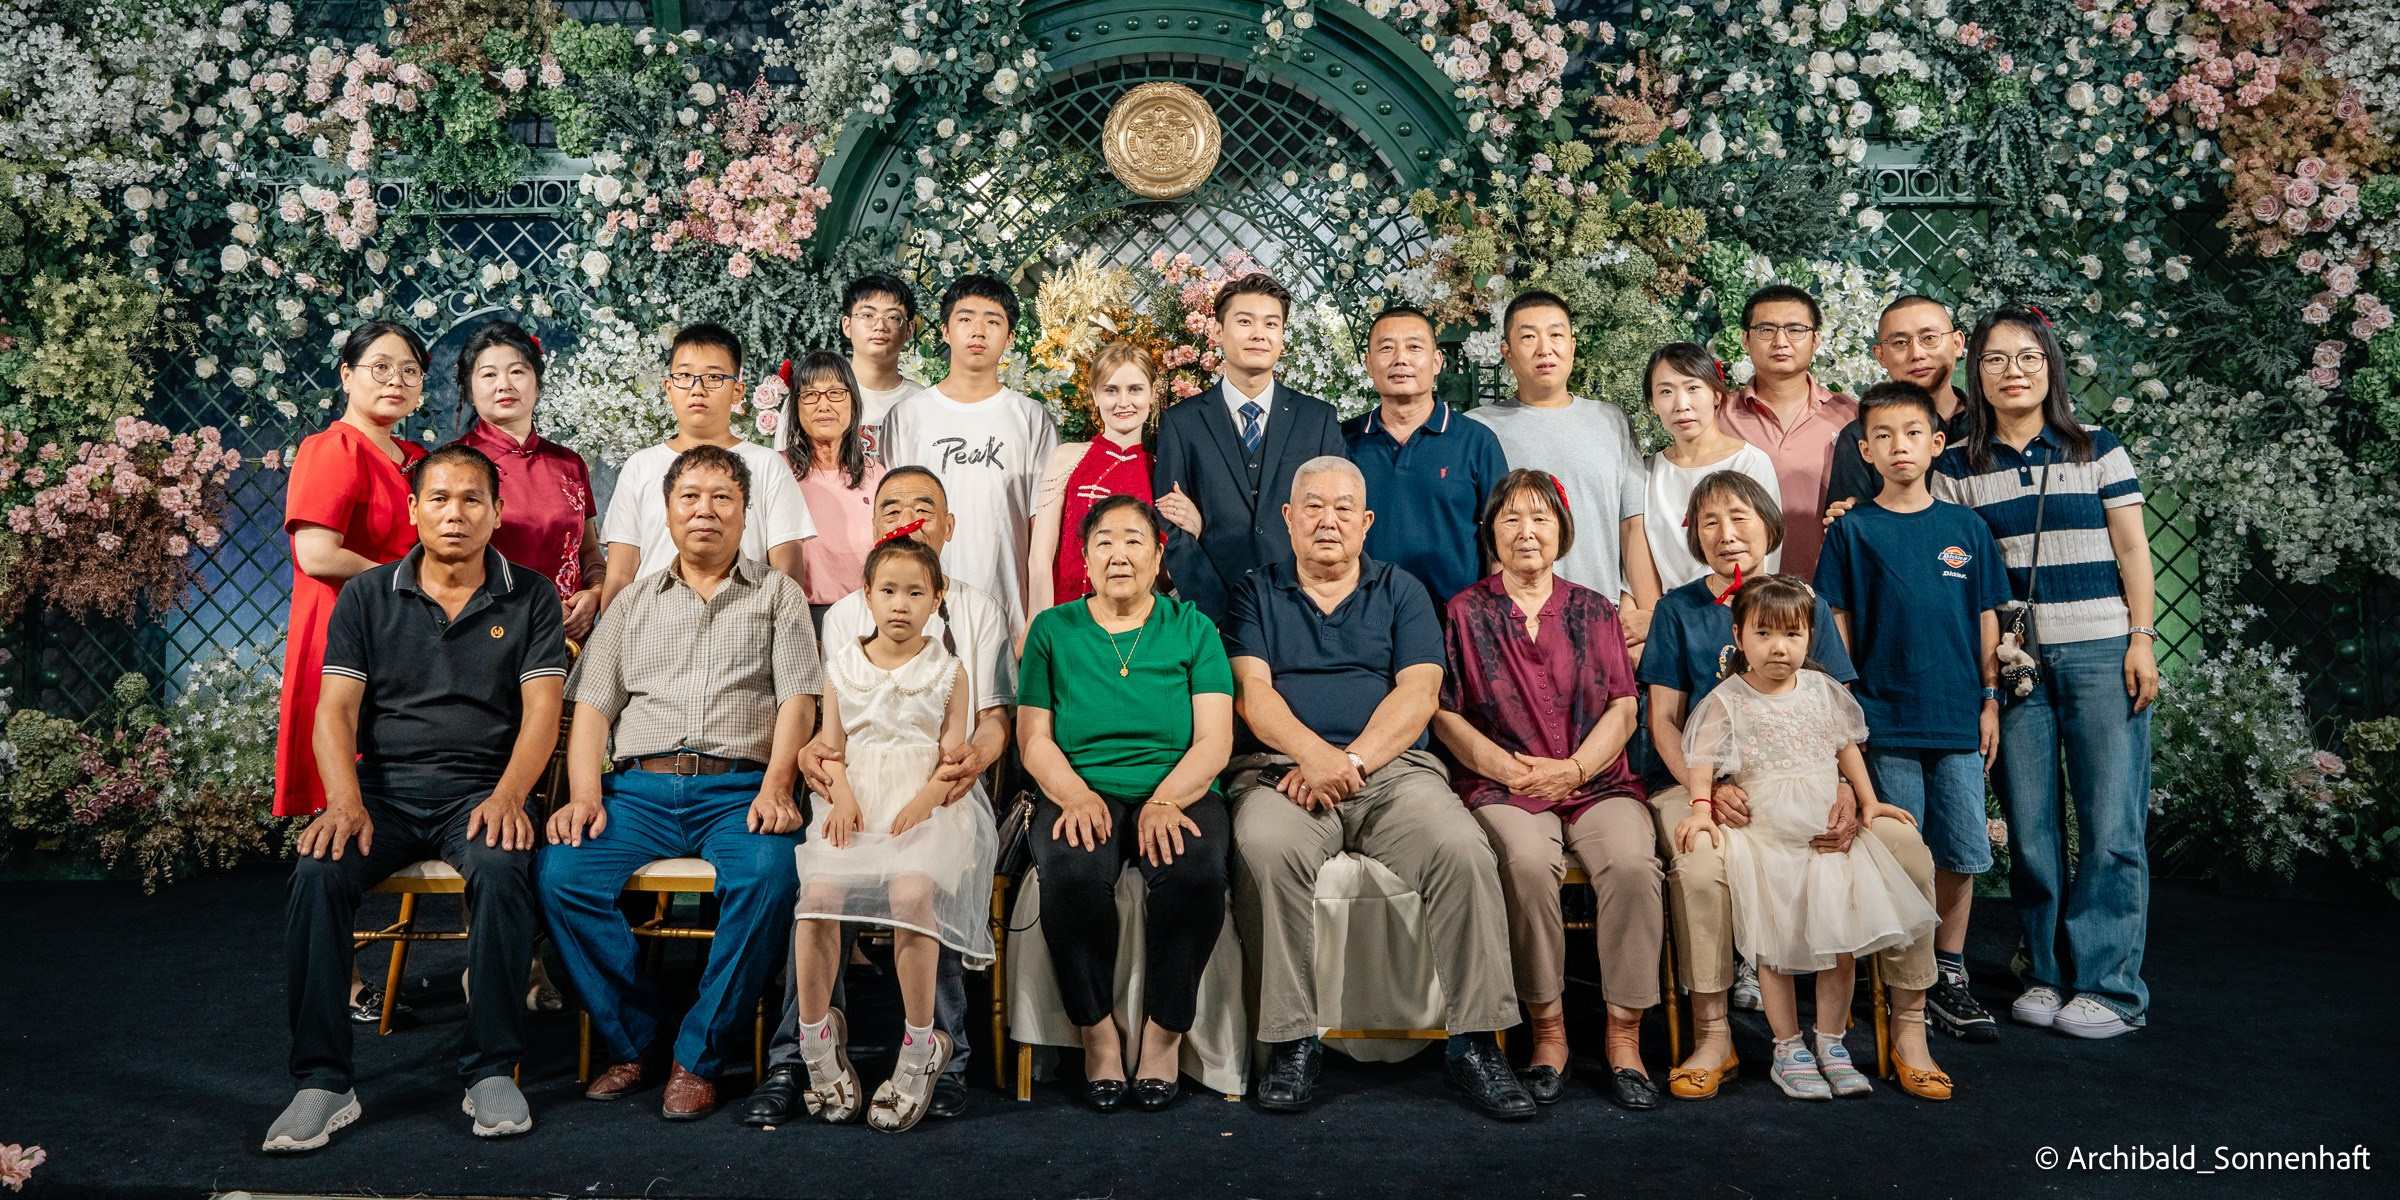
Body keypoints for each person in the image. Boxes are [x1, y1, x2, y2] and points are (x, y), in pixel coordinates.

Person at [264, 445, 568, 1152]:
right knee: (317, 873)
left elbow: (543, 712)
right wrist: (344, 802)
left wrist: (510, 796)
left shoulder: (531, 596)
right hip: (385, 792)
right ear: (413, 511)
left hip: (482, 790)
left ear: (497, 512)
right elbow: (335, 709)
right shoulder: (368, 595)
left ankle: (490, 1069)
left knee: (502, 866)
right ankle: (322, 1082)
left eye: (471, 499)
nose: (454, 513)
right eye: (439, 499)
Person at [1221, 456, 1529, 1121]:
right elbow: (1252, 694)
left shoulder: (1402, 590)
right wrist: (1314, 757)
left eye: (1342, 508)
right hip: (1284, 772)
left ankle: (1476, 1043)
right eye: (1313, 506)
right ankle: (1291, 1042)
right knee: (1265, 848)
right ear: (1288, 518)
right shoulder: (1255, 592)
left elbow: (1419, 694)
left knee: (1462, 850)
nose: (1327, 520)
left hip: (1390, 773)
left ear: (1365, 522)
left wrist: (1351, 762)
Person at [1636, 472, 1946, 1100]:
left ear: (1769, 525)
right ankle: (1714, 1034)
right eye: (1710, 521)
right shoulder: (1678, 610)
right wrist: (1706, 792)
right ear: (1694, 534)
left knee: (1908, 852)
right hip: (1704, 785)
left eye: (1741, 517)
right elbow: (1665, 721)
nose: (1727, 533)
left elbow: (1834, 716)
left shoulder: (1804, 603)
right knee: (1701, 866)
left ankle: (1910, 1030)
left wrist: (1850, 794)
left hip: (1814, 782)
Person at [541, 445, 823, 1121]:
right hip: (638, 791)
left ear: (745, 514)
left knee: (770, 876)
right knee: (561, 874)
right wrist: (584, 796)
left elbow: (798, 701)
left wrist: (777, 785)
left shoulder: (778, 594)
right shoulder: (631, 602)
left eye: (723, 498)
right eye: (689, 497)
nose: (705, 510)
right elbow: (593, 709)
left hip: (738, 791)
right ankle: (637, 1039)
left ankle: (699, 1055)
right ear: (666, 512)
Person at [748, 465, 1016, 1126]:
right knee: (817, 891)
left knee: (916, 887)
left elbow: (992, 719)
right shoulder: (844, 620)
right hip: (855, 792)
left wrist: (968, 764)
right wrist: (818, 763)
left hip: (937, 789)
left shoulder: (975, 615)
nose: (908, 517)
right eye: (891, 506)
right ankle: (804, 1050)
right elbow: (828, 728)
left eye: (924, 507)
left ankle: (936, 1054)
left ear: (949, 527)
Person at [1930, 303, 2159, 1040]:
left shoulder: (2097, 448)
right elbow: (1959, 577)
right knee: (2030, 831)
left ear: (2050, 366)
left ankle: (2110, 987)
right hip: (2015, 665)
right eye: (1995, 359)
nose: (2013, 372)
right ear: (1976, 373)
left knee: (2111, 824)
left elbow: (2133, 550)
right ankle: (2046, 973)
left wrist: (2142, 638)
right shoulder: (1956, 467)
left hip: (2101, 649)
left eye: (2028, 357)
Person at [1430, 470, 1660, 1111]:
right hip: (1504, 783)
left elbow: (1623, 707)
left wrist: (1577, 769)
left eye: (1540, 518)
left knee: (1633, 864)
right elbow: (1444, 714)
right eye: (1511, 519)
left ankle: (1624, 1037)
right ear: (1491, 533)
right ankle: (1549, 1032)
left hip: (1597, 780)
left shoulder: (1595, 609)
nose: (1526, 531)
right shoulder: (1463, 612)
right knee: (1527, 864)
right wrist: (1508, 770)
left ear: (1563, 530)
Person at [1019, 495, 1235, 1113]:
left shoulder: (1193, 628)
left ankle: (1164, 1034)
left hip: (1179, 786)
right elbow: (1033, 738)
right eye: (1104, 541)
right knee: (1072, 871)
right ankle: (1098, 1035)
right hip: (1079, 786)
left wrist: (1166, 799)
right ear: (1084, 558)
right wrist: (1072, 793)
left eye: (1135, 540)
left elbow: (1214, 740)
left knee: (1195, 872)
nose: (1119, 554)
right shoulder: (1052, 630)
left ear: (1160, 555)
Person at [1814, 382, 2010, 1050]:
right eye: (1884, 436)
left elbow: (1987, 620)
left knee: (1961, 851)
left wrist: (1991, 700)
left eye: (1913, 433)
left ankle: (1948, 970)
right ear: (1865, 451)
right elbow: (1837, 626)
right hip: (1885, 722)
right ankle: (1906, 981)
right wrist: (1845, 718)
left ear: (1936, 443)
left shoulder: (1967, 530)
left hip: (1956, 718)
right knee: (1904, 854)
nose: (1900, 446)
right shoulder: (1852, 532)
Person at [788, 537, 998, 1133]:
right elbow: (830, 748)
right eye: (888, 590)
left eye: (915, 592)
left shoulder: (949, 671)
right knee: (817, 899)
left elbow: (953, 756)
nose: (900, 604)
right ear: (866, 595)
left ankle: (920, 1043)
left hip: (925, 806)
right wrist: (842, 796)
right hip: (854, 804)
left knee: (910, 895)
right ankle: (816, 1040)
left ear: (937, 598)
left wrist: (925, 802)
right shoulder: (841, 666)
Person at [277, 322, 431, 821]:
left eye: (410, 371)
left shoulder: (417, 459)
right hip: (346, 627)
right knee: (347, 793)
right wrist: (408, 582)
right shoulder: (332, 448)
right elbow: (317, 556)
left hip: (406, 628)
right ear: (346, 375)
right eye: (380, 368)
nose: (396, 381)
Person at [1467, 290, 1662, 646]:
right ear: (1507, 352)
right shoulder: (1478, 429)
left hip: (1600, 616)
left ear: (1572, 346)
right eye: (1529, 337)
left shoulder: (1610, 420)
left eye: (1556, 335)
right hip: (1516, 622)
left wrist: (1649, 616)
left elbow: (1632, 526)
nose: (1545, 349)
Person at [1152, 272, 1347, 624]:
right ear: (1218, 332)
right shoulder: (1182, 423)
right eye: (1245, 322)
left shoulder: (1317, 419)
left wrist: (1317, 600)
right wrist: (1212, 609)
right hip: (1210, 615)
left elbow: (1338, 517)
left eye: (1271, 324)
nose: (1259, 334)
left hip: (1305, 611)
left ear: (1282, 336)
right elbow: (1171, 524)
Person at [882, 274, 1060, 636]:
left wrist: (1037, 620)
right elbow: (887, 520)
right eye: (965, 319)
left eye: (992, 321)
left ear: (1009, 338)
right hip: (917, 611)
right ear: (946, 332)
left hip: (1008, 610)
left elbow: (1042, 527)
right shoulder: (907, 416)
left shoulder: (1030, 418)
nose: (978, 331)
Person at [598, 323, 816, 608]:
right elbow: (620, 575)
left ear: (737, 391)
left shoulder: (767, 464)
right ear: (668, 388)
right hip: (653, 623)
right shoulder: (640, 466)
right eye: (685, 376)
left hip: (744, 620)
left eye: (714, 377)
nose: (697, 389)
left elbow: (787, 573)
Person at [1342, 305, 1508, 606]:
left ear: (1436, 361)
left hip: (1454, 619)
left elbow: (1501, 540)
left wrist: (1492, 617)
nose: (1400, 359)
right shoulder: (1342, 442)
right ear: (1368, 363)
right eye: (1386, 348)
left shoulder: (1477, 442)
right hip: (1361, 617)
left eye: (1414, 347)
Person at [450, 319, 604, 640]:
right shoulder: (451, 464)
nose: (504, 384)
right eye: (489, 375)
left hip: (570, 637)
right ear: (469, 389)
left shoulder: (569, 464)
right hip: (488, 634)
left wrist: (595, 593)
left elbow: (588, 551)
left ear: (537, 384)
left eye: (517, 372)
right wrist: (536, 607)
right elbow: (444, 565)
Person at [1714, 284, 1858, 579]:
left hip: (1831, 585)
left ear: (1816, 340)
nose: (1781, 341)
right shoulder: (1718, 417)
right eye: (1766, 330)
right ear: (1745, 339)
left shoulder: (1851, 416)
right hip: (1742, 589)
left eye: (1795, 330)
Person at [1030, 341, 1161, 614]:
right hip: (1068, 617)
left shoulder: (1160, 468)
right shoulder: (1067, 458)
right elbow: (1041, 556)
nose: (1123, 402)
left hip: (1135, 621)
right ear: (1095, 395)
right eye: (1111, 390)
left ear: (1152, 394)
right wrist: (1037, 623)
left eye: (1135, 389)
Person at [1641, 342, 1783, 589]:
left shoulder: (1749, 462)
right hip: (1664, 608)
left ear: (1717, 394)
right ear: (1653, 403)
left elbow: (1765, 551)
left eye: (1693, 388)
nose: (1681, 404)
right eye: (1666, 392)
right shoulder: (1647, 472)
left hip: (1735, 603)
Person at [1825, 295, 1969, 511]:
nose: (1917, 354)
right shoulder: (1861, 436)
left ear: (1957, 343)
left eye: (1929, 338)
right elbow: (1855, 522)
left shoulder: (1994, 421)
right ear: (1880, 356)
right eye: (1900, 343)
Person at [777, 351, 888, 626]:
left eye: (836, 393)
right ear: (796, 407)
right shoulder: (778, 470)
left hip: (868, 618)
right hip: (799, 617)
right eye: (810, 395)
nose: (823, 405)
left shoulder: (877, 475)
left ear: (853, 402)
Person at [840, 273, 924, 462]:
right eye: (867, 315)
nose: (880, 326)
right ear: (847, 325)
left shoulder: (924, 404)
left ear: (909, 330)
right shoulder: (815, 398)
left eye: (893, 317)